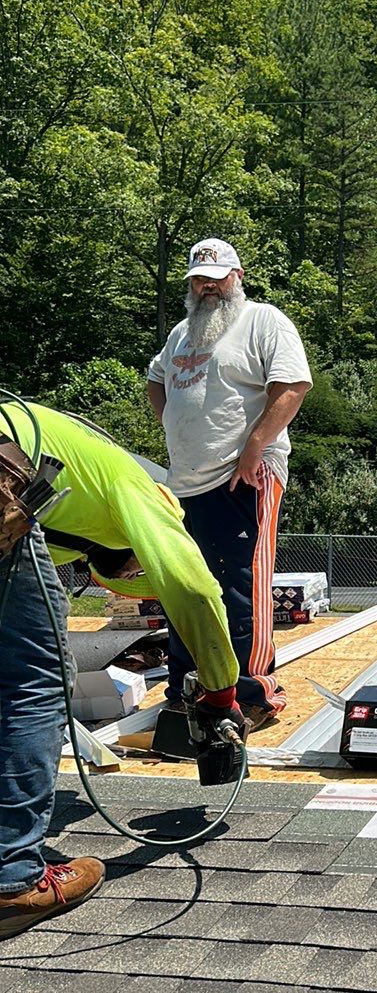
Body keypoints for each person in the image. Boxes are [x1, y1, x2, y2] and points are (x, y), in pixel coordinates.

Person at [0, 401, 243, 939]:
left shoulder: (70, 517)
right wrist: (221, 693)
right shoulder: (140, 486)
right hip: (0, 473)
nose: (137, 574)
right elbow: (195, 590)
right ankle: (12, 881)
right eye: (140, 568)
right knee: (35, 683)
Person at [147, 238, 312, 730]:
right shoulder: (181, 334)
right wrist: (173, 426)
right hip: (186, 482)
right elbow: (155, 379)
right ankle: (187, 689)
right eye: (199, 279)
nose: (208, 287)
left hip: (244, 476)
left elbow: (293, 386)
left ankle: (253, 693)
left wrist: (255, 447)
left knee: (241, 585)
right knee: (188, 588)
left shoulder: (264, 321)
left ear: (237, 277)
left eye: (217, 277)